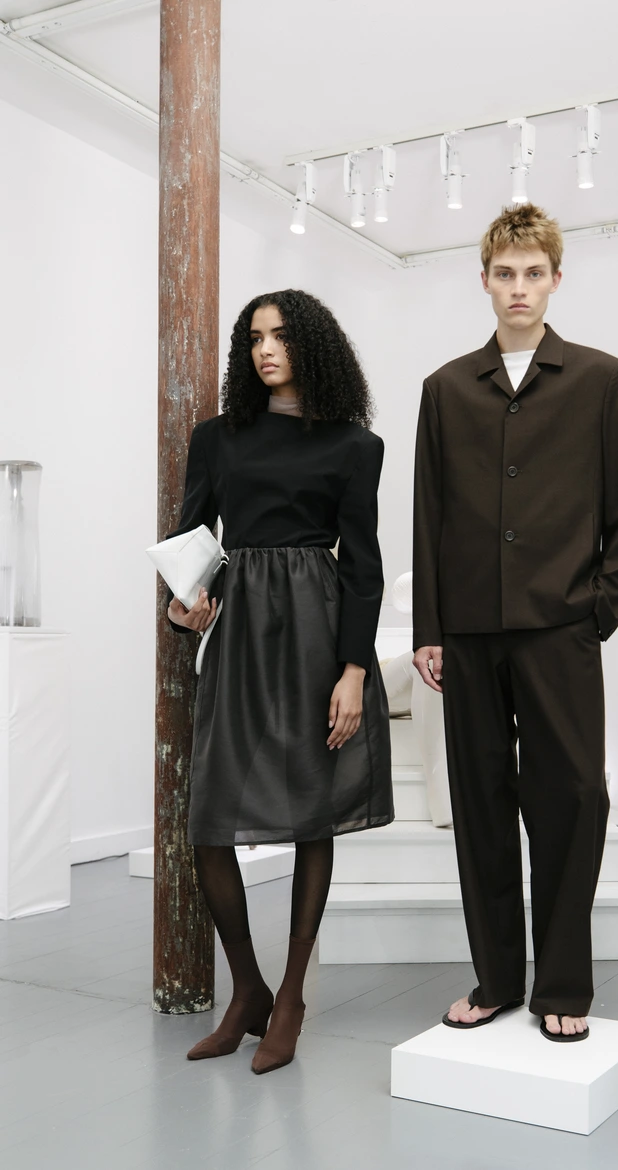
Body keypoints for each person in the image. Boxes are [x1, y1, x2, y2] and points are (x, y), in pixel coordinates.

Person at [412, 203, 618, 1042]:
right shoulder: (445, 390)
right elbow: (429, 514)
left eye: (533, 273)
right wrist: (430, 627)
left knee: (574, 799)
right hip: (470, 632)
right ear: (484, 281)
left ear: (555, 279)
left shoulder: (600, 380)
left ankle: (563, 984)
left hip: (560, 628)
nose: (519, 288)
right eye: (505, 274)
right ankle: (496, 980)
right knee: (480, 805)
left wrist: (595, 614)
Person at [167, 289, 393, 1073]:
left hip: (316, 634)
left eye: (281, 336)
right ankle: (248, 991)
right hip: (238, 635)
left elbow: (363, 566)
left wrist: (354, 670)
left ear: (313, 346)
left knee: (311, 814)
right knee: (209, 820)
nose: (265, 349)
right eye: (255, 337)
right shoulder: (217, 439)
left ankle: (291, 996)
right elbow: (191, 542)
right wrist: (184, 605)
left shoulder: (355, 446)